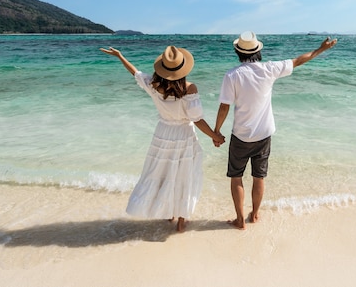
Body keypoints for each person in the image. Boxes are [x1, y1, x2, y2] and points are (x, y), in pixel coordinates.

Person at [214, 31, 337, 230]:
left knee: (236, 177)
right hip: (264, 134)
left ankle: (239, 220)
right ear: (257, 51)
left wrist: (216, 132)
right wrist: (321, 49)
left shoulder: (232, 75)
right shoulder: (269, 69)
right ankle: (254, 215)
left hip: (241, 136)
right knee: (259, 177)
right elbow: (298, 60)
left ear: (238, 52)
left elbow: (224, 107)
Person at [100, 45, 225, 232]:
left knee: (164, 174)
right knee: (184, 176)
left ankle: (169, 213)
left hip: (163, 133)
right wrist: (215, 135)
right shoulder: (189, 88)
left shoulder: (153, 84)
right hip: (183, 135)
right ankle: (182, 221)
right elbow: (197, 119)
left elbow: (136, 73)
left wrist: (120, 56)